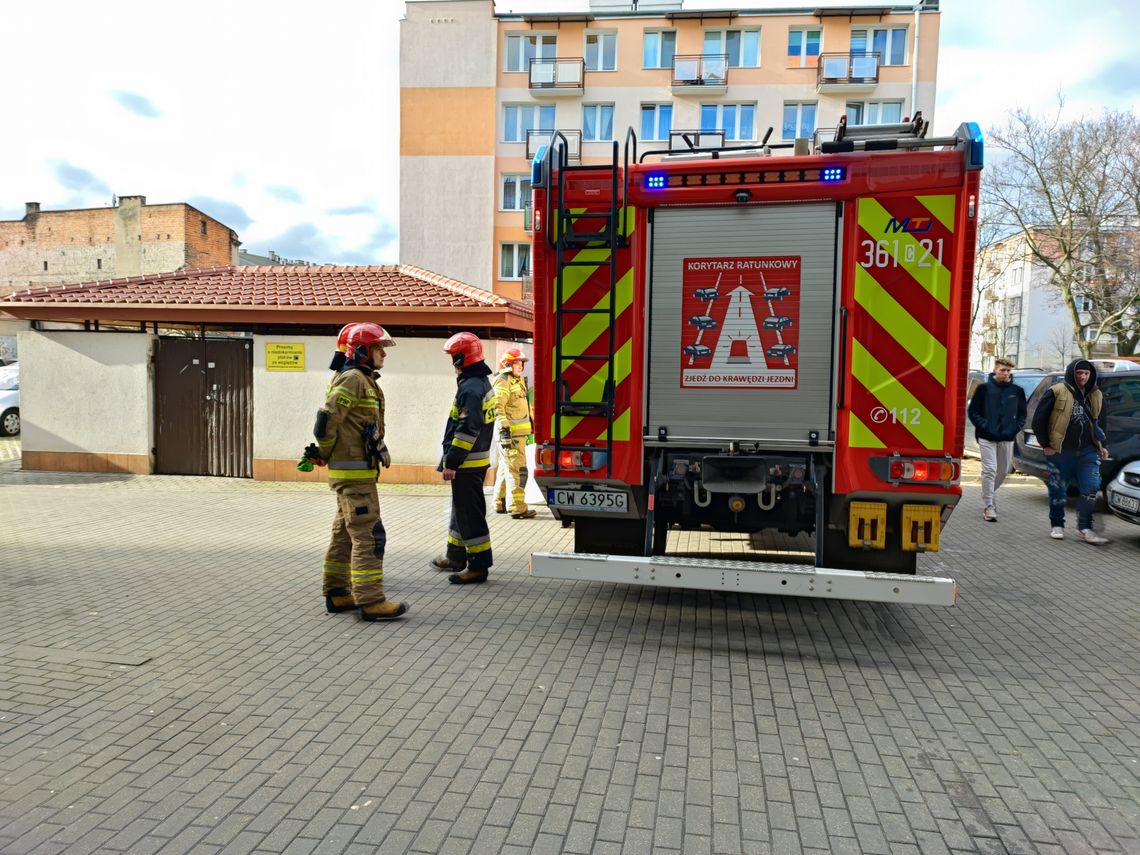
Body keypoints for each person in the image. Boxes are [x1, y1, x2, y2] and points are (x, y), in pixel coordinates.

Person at [313, 323, 409, 620]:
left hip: (357, 473)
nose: (383, 353)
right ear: (362, 350)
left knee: (344, 534)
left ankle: (339, 594)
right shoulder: (354, 379)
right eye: (379, 348)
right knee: (367, 535)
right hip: (354, 475)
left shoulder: (363, 379)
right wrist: (325, 453)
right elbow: (327, 420)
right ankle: (370, 601)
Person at [432, 332, 496, 584]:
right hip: (474, 462)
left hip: (467, 464)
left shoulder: (470, 388)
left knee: (469, 514)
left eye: (453, 358)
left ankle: (478, 566)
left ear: (461, 358)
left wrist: (452, 463)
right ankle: (455, 556)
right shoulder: (479, 382)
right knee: (460, 512)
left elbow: (467, 430)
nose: (452, 364)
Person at [1031, 358, 1110, 544]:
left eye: (1086, 373)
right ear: (1071, 373)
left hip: (1088, 452)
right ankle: (1057, 524)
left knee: (1091, 488)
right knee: (1058, 490)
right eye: (1079, 373)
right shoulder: (1056, 391)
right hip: (1060, 452)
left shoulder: (1096, 394)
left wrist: (1104, 445)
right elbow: (1038, 421)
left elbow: (1101, 422)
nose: (1082, 376)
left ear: (1091, 375)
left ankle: (1084, 527)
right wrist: (1046, 445)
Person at [967, 356, 1027, 522]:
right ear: (995, 370)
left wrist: (1014, 428)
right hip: (986, 437)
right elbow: (973, 411)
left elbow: (1023, 414)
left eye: (1008, 371)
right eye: (1002, 370)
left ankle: (988, 492)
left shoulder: (1017, 391)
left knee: (1003, 471)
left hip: (1007, 437)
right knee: (990, 470)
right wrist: (984, 425)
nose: (1005, 373)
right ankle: (988, 505)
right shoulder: (983, 389)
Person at [492, 346, 536, 519]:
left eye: (521, 363)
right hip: (511, 436)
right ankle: (518, 508)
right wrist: (504, 431)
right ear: (508, 364)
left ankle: (499, 502)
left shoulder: (517, 381)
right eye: (517, 363)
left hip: (518, 435)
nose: (521, 367)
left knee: (505, 469)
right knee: (517, 471)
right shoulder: (503, 380)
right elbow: (497, 406)